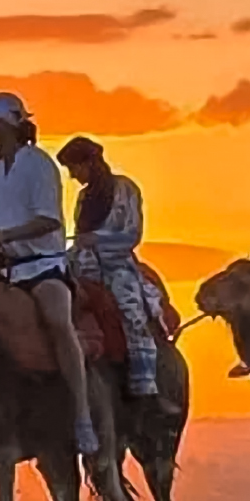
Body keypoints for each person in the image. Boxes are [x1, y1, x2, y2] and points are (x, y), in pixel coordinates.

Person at [0, 93, 98, 455]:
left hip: (42, 266)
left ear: (4, 125)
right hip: (0, 267)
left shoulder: (39, 165)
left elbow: (47, 220)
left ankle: (82, 415)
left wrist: (3, 234)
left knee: (57, 319)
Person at [57, 135, 163, 405]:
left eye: (74, 168)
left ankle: (145, 382)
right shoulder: (83, 197)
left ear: (89, 163)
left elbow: (132, 233)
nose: (73, 176)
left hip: (116, 262)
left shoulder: (125, 188)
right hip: (81, 261)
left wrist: (98, 240)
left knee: (130, 308)